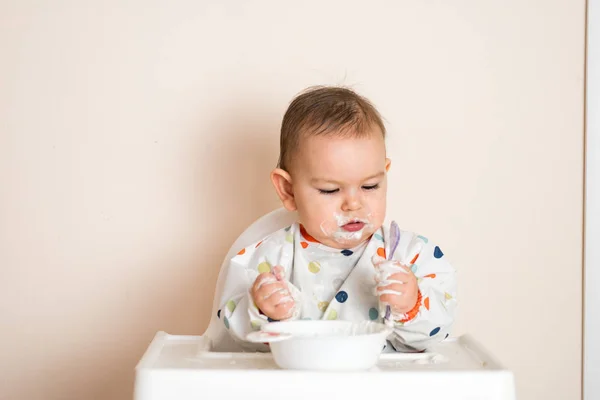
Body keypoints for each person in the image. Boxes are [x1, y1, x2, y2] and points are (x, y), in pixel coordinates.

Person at [217, 86, 457, 352]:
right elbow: (232, 330)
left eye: (370, 186)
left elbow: (440, 334)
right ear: (288, 190)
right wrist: (266, 312)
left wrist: (412, 305)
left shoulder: (411, 255)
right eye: (330, 190)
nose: (353, 203)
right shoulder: (269, 258)